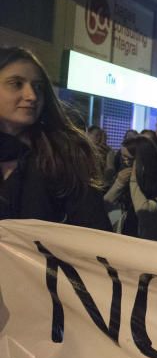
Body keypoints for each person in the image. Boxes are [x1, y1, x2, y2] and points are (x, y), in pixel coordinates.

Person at [0, 47, 109, 231]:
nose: (31, 96)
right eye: (16, 84)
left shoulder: (66, 152)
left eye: (38, 87)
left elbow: (95, 233)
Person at [104, 135, 157, 241]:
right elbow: (106, 202)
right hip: (126, 233)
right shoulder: (124, 174)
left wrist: (134, 180)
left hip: (149, 237)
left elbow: (143, 210)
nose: (125, 162)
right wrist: (119, 183)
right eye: (122, 157)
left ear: (142, 159)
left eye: (129, 159)